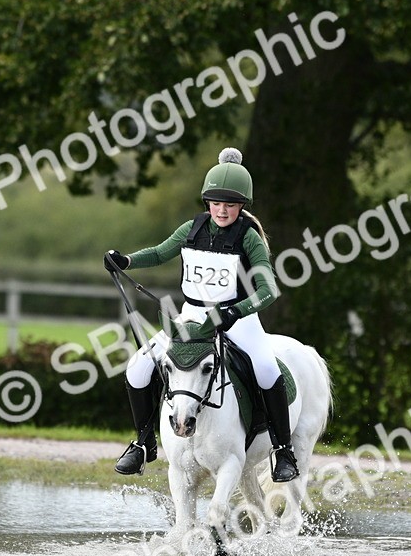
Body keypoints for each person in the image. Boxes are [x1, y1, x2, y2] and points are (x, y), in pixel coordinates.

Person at [103, 147, 298, 482]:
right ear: (208, 202)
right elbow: (161, 252)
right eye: (216, 203)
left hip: (237, 318)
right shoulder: (192, 229)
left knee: (266, 369)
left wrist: (235, 311)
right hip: (192, 317)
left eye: (230, 204)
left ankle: (283, 451)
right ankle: (143, 442)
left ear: (241, 206)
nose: (222, 210)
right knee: (138, 367)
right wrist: (127, 261)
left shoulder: (249, 238)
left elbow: (268, 290)